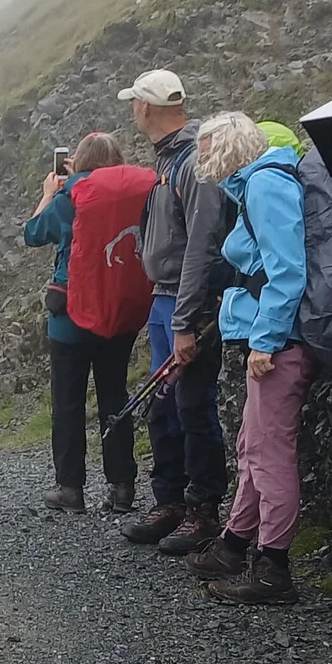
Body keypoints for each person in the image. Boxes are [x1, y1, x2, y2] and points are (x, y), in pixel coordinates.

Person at [180, 114, 312, 604]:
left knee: (269, 452)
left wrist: (267, 340)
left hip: (280, 343)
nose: (202, 159)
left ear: (228, 147)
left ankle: (273, 566)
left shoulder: (265, 186)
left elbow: (287, 271)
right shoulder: (255, 185)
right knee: (253, 445)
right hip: (274, 337)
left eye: (207, 148)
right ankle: (237, 543)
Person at [115, 70, 229, 555]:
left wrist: (185, 321)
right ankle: (171, 501)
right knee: (165, 405)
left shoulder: (193, 164)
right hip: (166, 299)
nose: (132, 111)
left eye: (133, 104)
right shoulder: (171, 161)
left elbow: (201, 247)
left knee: (193, 406)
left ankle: (203, 509)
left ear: (144, 107)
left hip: (187, 307)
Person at [23, 132, 143, 513]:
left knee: (68, 402)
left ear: (80, 162)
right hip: (119, 312)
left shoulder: (71, 195)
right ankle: (122, 487)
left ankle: (70, 489)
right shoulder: (136, 194)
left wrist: (49, 192)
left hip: (72, 316)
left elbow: (34, 233)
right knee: (115, 396)